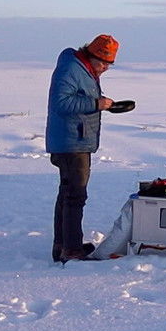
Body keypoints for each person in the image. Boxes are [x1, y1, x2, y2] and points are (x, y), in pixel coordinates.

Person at [45, 33, 122, 262]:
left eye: (109, 65)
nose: (105, 69)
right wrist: (96, 104)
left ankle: (65, 245)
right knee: (75, 196)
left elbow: (77, 96)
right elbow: (62, 102)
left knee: (68, 194)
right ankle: (71, 250)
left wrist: (101, 103)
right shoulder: (72, 68)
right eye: (102, 64)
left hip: (75, 140)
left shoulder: (83, 68)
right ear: (91, 55)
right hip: (70, 143)